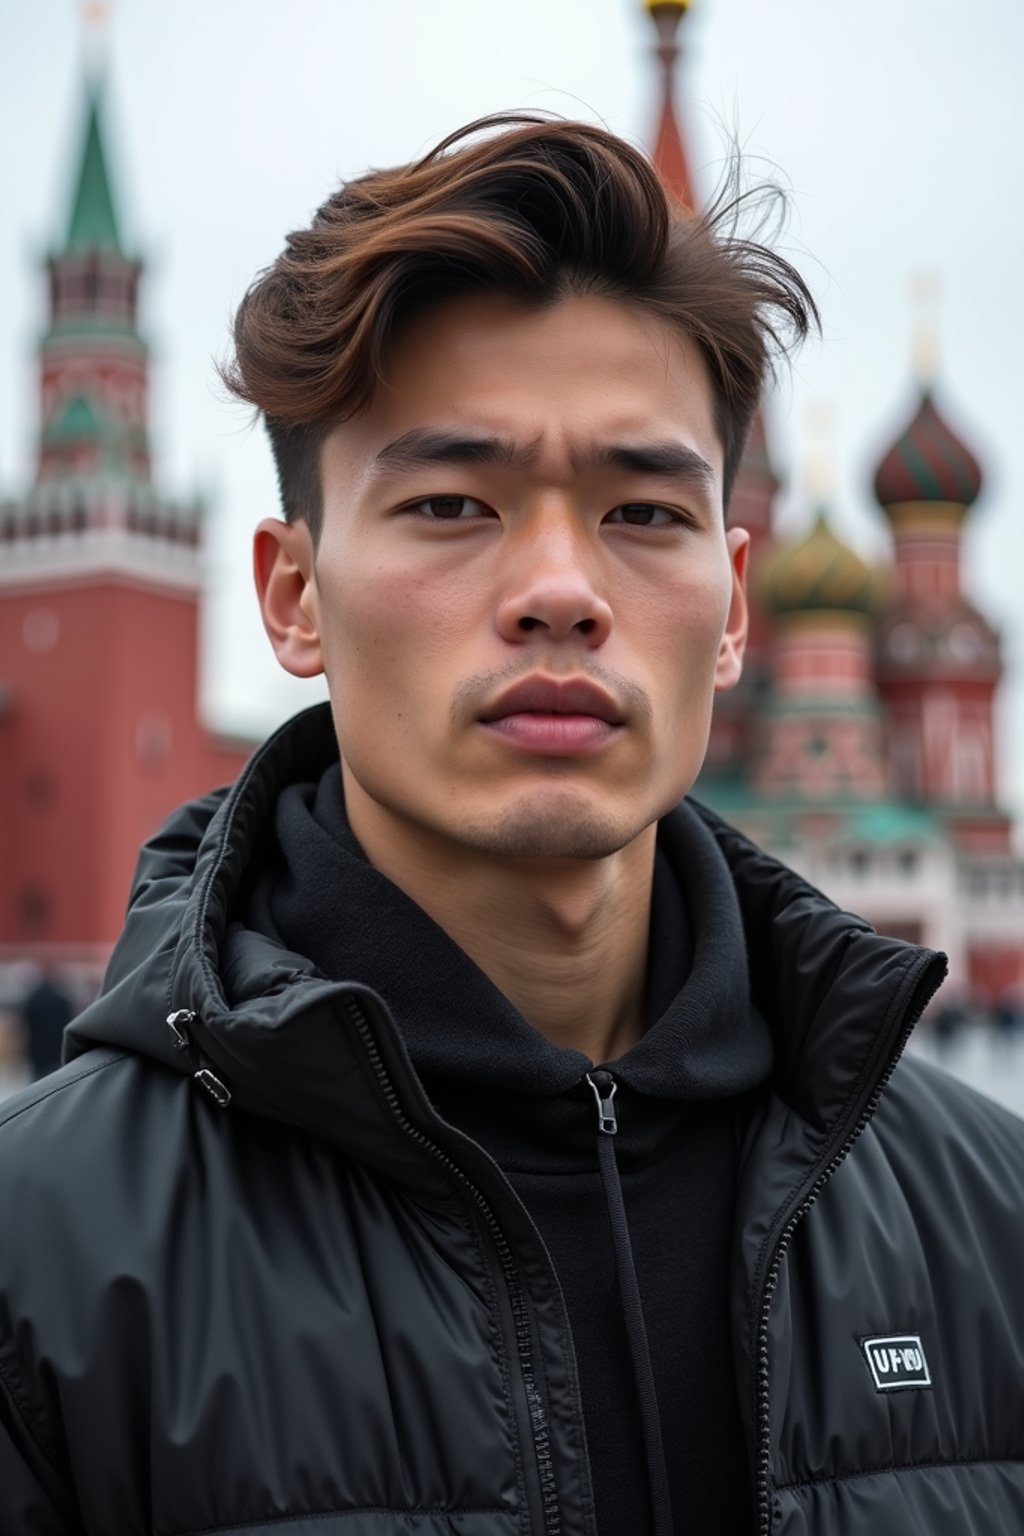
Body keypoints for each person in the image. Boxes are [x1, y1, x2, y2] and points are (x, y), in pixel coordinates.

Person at [1, 117, 1022, 1536]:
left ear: (736, 606)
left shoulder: (991, 1220)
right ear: (294, 597)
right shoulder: (38, 1258)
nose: (560, 589)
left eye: (643, 510)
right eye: (451, 501)